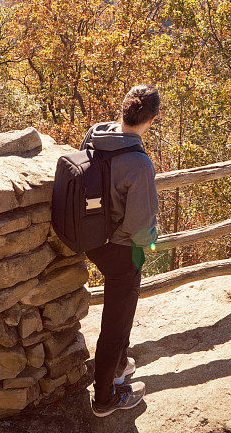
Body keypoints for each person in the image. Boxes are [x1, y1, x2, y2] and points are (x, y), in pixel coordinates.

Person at [80, 84, 160, 418]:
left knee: (122, 311)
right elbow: (142, 230)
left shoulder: (96, 135)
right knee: (115, 321)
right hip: (122, 250)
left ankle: (118, 366)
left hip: (90, 238)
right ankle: (104, 398)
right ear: (152, 120)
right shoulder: (139, 165)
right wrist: (151, 246)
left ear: (123, 109)